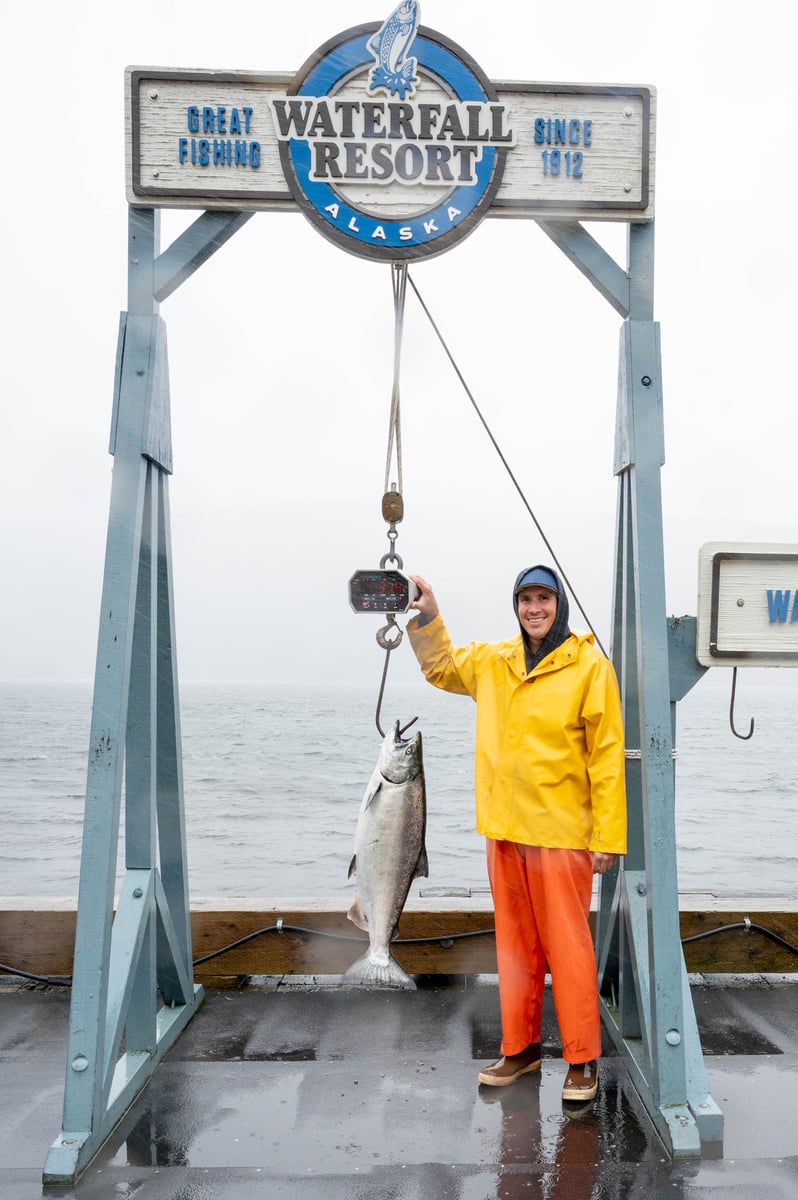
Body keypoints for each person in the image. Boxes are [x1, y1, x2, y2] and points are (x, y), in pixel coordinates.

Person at [407, 565, 626, 1102]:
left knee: (569, 950)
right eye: (526, 599)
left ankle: (582, 1059)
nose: (534, 609)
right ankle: (521, 1050)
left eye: (543, 600)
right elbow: (439, 668)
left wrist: (607, 837)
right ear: (516, 605)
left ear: (559, 606)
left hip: (561, 835)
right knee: (515, 950)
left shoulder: (590, 667)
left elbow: (607, 757)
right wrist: (429, 617)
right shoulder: (492, 661)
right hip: (504, 832)